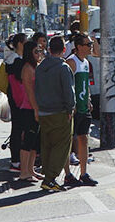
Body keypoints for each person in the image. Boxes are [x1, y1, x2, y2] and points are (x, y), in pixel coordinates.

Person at [34, 36, 75, 192]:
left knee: (47, 144)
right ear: (64, 50)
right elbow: (68, 93)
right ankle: (50, 178)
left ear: (49, 50)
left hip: (44, 112)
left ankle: (47, 174)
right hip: (60, 112)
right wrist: (70, 108)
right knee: (62, 146)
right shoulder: (63, 68)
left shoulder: (40, 67)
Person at [63, 33, 98, 187]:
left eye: (91, 44)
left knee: (84, 139)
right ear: (78, 47)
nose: (91, 47)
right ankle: (68, 174)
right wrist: (71, 105)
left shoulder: (85, 62)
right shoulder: (72, 62)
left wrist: (88, 100)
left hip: (84, 108)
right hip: (74, 109)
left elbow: (86, 84)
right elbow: (66, 86)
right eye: (88, 44)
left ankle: (83, 173)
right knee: (68, 141)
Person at [9, 40, 42, 183]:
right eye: (36, 51)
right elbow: (29, 92)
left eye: (40, 51)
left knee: (34, 142)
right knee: (27, 141)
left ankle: (30, 169)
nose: (39, 54)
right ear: (30, 53)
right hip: (29, 109)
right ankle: (24, 172)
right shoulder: (27, 68)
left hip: (36, 108)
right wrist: (35, 109)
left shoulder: (36, 67)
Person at [4, 33, 27, 172]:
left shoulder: (14, 59)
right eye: (25, 43)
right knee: (17, 129)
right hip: (17, 98)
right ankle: (15, 161)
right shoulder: (15, 60)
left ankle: (17, 160)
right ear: (19, 44)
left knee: (18, 128)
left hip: (16, 97)